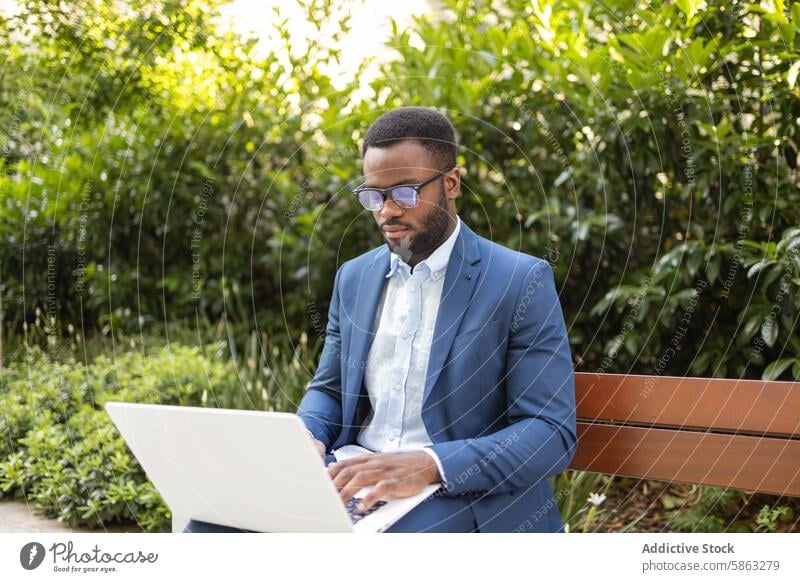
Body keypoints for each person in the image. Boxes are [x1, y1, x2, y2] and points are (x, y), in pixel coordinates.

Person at [184, 106, 576, 533]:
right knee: (211, 526)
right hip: (354, 475)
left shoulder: (520, 281)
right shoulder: (354, 277)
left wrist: (428, 465)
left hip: (457, 493)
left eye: (405, 193)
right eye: (373, 195)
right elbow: (330, 390)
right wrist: (307, 437)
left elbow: (550, 432)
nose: (386, 211)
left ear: (451, 183)